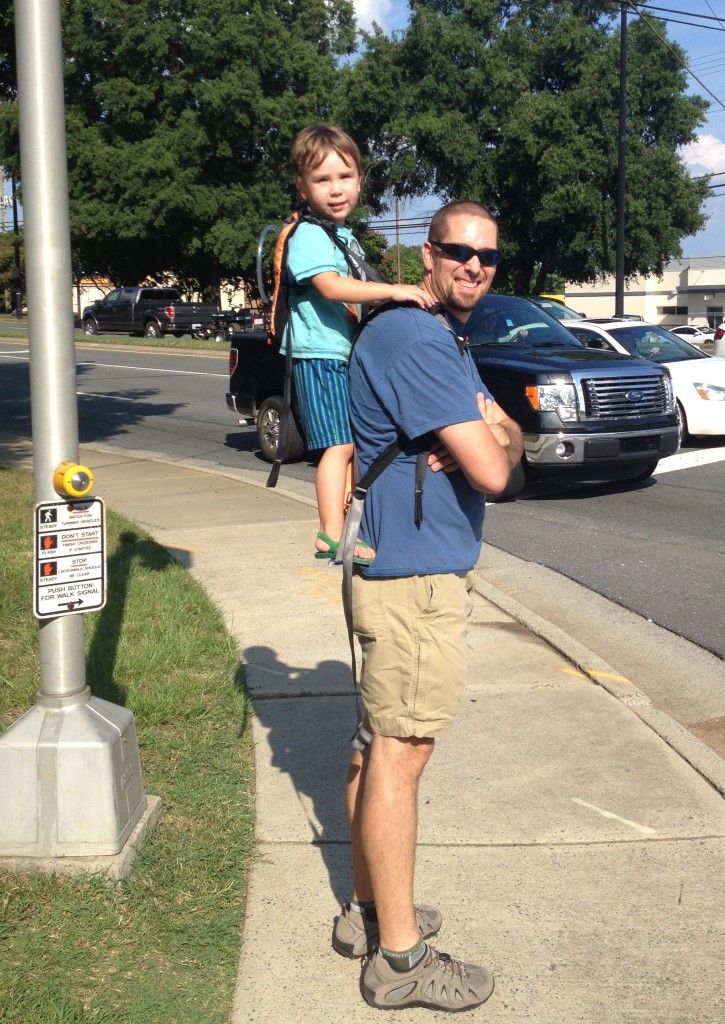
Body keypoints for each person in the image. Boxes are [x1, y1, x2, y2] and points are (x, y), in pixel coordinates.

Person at [332, 200, 524, 1012]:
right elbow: (496, 472)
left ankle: (369, 911)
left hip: (394, 565)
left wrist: (493, 431)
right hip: (415, 580)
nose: (473, 267)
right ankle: (401, 961)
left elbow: (504, 433)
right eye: (457, 251)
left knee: (376, 743)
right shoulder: (416, 337)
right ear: (427, 257)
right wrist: (490, 436)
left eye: (487, 257)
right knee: (401, 752)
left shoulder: (441, 338)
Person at [285, 125, 435, 564]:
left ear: (360, 179)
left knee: (352, 444)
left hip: (338, 353)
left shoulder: (340, 235)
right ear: (303, 187)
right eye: (322, 180)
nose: (336, 190)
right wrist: (395, 290)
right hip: (318, 354)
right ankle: (330, 533)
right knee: (338, 446)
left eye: (344, 177)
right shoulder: (310, 235)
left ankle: (349, 525)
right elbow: (331, 287)